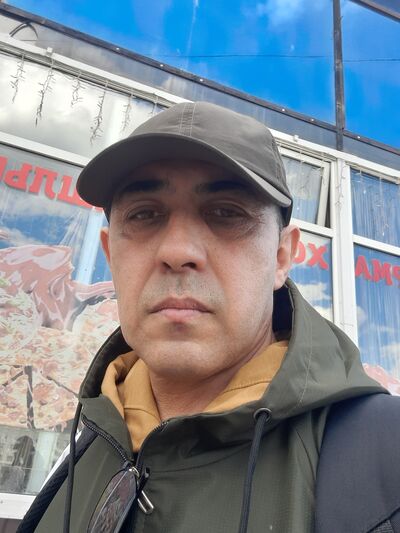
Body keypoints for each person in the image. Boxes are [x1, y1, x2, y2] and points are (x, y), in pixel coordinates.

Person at [17, 102, 389, 533]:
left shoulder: (384, 462)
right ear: (110, 254)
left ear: (281, 256)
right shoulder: (77, 458)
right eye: (144, 214)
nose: (177, 251)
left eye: (226, 212)